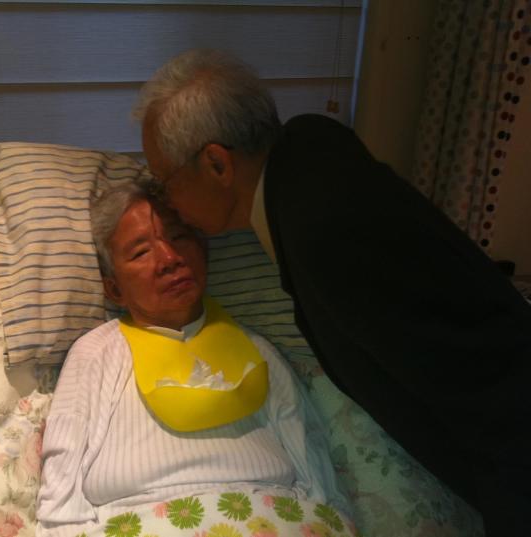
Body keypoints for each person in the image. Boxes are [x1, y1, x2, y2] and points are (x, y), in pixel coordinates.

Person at [133, 49, 531, 536]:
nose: (168, 203)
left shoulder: (323, 231)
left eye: (165, 182)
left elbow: (479, 392)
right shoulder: (308, 139)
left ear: (218, 164)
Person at [35, 181, 354, 537]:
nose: (169, 259)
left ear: (204, 251)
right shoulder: (96, 353)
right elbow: (61, 487)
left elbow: (312, 462)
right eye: (141, 253)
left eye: (179, 237)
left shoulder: (257, 349)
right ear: (114, 289)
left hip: (271, 518)